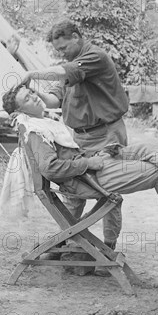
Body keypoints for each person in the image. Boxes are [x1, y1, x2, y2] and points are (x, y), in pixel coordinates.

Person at [2, 85, 158, 250]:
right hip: (85, 179)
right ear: (18, 111)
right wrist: (89, 162)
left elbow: (68, 153)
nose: (33, 98)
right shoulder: (34, 130)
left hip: (90, 165)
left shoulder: (41, 122)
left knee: (151, 148)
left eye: (31, 92)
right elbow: (51, 168)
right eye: (26, 99)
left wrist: (99, 153)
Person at [20, 20, 130, 250]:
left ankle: (107, 247)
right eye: (59, 51)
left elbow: (62, 71)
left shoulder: (95, 57)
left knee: (110, 191)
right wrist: (32, 92)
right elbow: (53, 100)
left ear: (76, 37)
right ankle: (72, 242)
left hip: (107, 133)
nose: (62, 54)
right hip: (80, 138)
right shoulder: (69, 67)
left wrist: (32, 73)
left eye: (64, 48)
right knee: (75, 191)